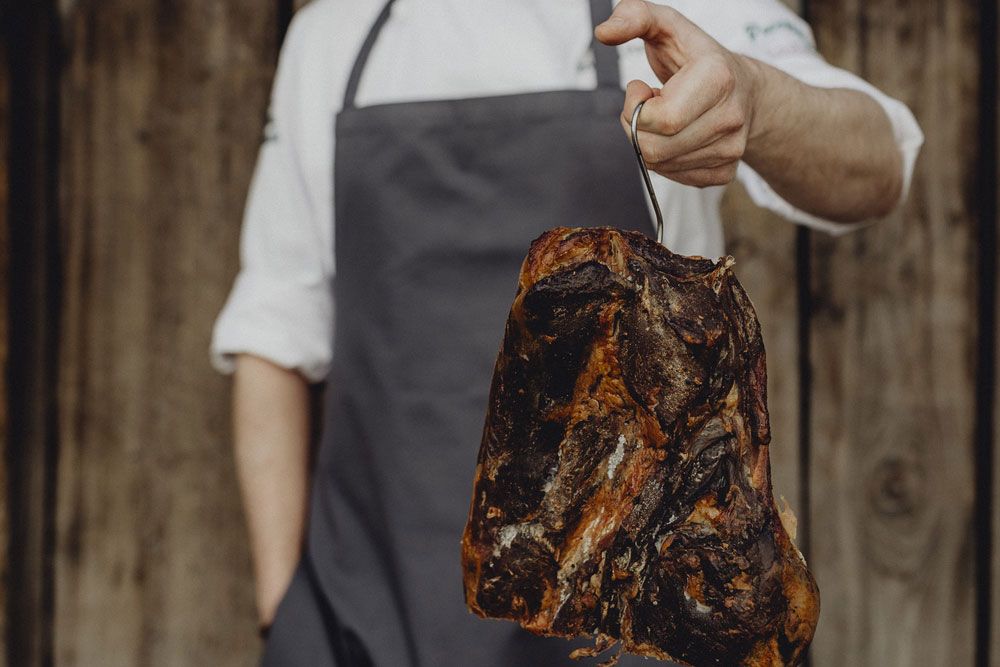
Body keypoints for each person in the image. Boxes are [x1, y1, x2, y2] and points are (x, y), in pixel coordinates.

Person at [211, 0, 922, 665]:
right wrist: (288, 619)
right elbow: (276, 335)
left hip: (637, 632)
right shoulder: (332, 30)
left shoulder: (671, 11)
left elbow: (879, 162)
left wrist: (758, 103)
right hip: (370, 618)